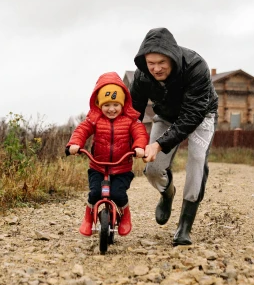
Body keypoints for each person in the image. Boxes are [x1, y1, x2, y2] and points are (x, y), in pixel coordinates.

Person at [130, 27, 218, 246]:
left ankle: (184, 226)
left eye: (162, 62)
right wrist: (128, 140)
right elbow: (133, 114)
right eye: (151, 63)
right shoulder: (142, 76)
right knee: (152, 168)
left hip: (201, 115)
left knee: (196, 161)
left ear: (171, 57)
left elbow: (191, 115)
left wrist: (159, 144)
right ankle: (167, 193)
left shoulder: (196, 66)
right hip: (166, 115)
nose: (156, 68)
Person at [67, 72, 149, 237]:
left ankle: (125, 215)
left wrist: (139, 147)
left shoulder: (130, 120)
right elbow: (82, 130)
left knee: (118, 194)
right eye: (107, 105)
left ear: (123, 103)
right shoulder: (94, 120)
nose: (111, 109)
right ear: (99, 104)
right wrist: (75, 144)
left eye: (116, 104)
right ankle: (88, 218)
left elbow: (140, 133)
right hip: (97, 166)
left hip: (122, 168)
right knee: (95, 193)